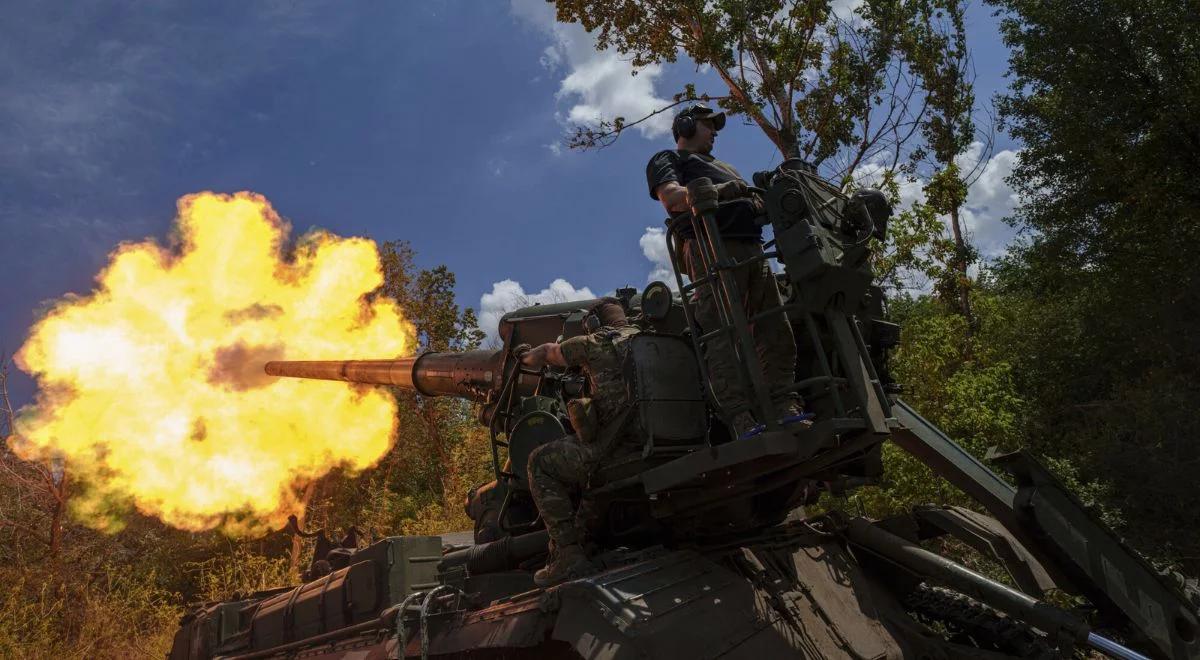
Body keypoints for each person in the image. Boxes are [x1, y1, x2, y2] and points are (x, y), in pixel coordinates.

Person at [646, 104, 800, 437]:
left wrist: (761, 200)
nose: (714, 132)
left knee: (774, 326)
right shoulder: (669, 160)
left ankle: (784, 403)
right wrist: (716, 191)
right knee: (722, 335)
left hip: (752, 249)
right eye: (707, 125)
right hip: (710, 247)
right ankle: (740, 416)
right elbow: (672, 198)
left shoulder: (726, 167)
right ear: (685, 128)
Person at [518, 298, 641, 587]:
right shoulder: (648, 337)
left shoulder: (595, 343)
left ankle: (567, 556)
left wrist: (523, 356)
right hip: (654, 441)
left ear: (595, 324)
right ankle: (591, 539)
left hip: (619, 449)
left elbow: (548, 353)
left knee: (540, 462)